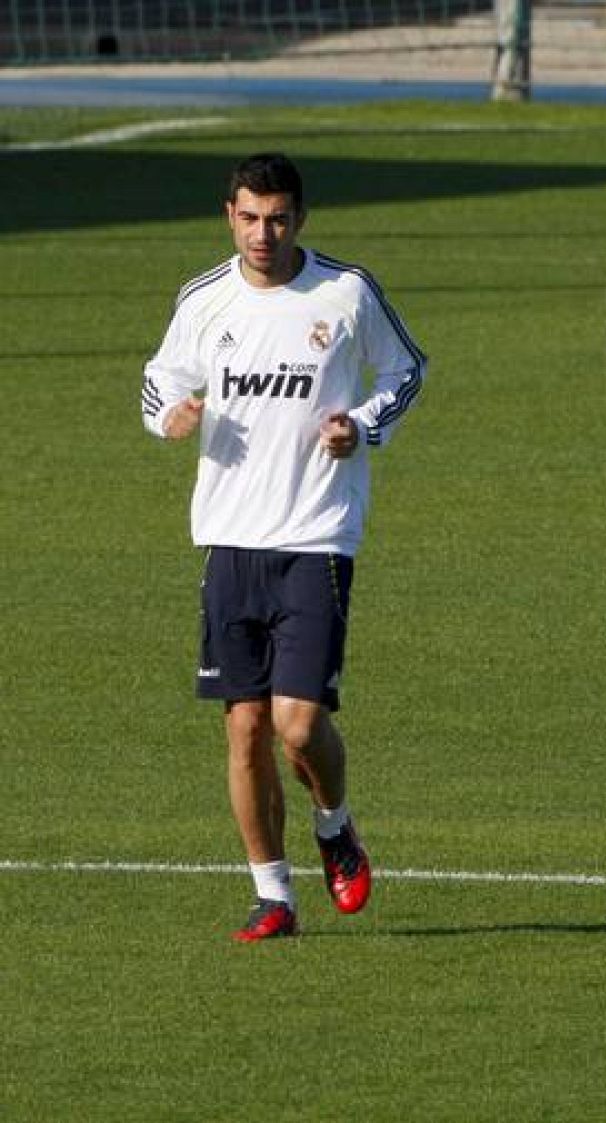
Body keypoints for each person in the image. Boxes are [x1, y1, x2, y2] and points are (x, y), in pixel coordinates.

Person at [141, 152, 426, 941]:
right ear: (228, 216)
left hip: (316, 536)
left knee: (297, 725)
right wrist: (170, 413)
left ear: (299, 219)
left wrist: (359, 425)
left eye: (277, 218)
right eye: (248, 217)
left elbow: (406, 372)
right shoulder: (205, 299)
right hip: (229, 538)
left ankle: (334, 824)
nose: (262, 233)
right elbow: (159, 377)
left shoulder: (346, 292)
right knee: (243, 729)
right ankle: (273, 895)